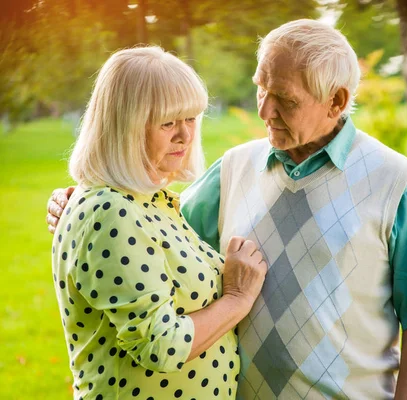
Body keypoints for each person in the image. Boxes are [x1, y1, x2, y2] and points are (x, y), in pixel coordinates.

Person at [48, 20, 407, 399]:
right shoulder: (233, 168)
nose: (264, 111)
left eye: (285, 100)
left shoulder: (393, 180)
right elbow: (151, 233)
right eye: (262, 89)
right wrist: (84, 200)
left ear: (336, 101)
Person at [49, 46, 267, 400]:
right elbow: (161, 347)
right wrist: (237, 300)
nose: (185, 135)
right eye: (168, 122)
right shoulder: (110, 210)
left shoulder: (154, 201)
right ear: (124, 126)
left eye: (191, 118)